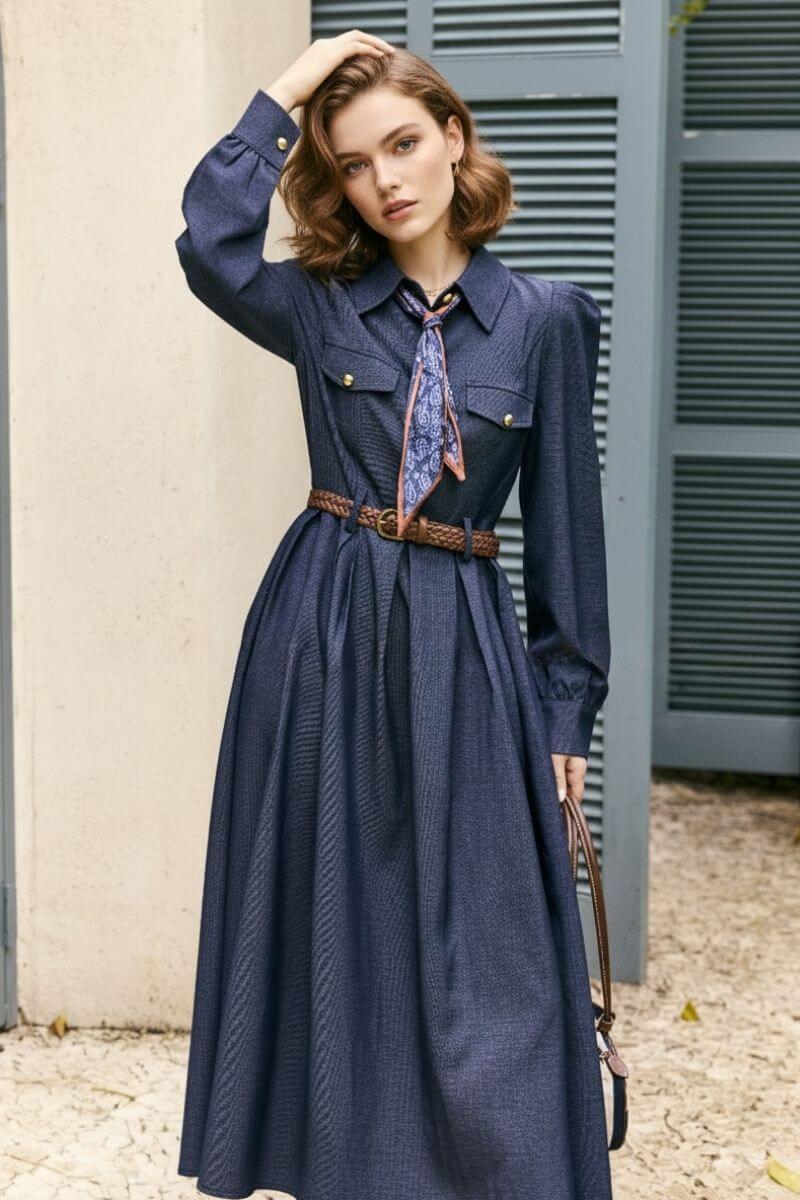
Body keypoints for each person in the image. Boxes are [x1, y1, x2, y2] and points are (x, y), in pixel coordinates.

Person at [175, 29, 612, 1200]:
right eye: (355, 163)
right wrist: (290, 87)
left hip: (460, 638)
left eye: (404, 144)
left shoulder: (545, 320)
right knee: (334, 926)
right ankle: (347, 1166)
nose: (386, 180)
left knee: (490, 945)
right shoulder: (317, 305)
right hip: (320, 629)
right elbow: (210, 244)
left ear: (453, 137)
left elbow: (567, 528)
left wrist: (565, 709)